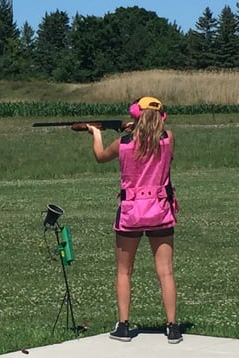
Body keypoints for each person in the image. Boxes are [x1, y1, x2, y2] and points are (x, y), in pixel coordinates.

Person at [86, 96, 183, 344]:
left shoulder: (123, 143)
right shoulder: (168, 138)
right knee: (166, 272)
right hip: (160, 209)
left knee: (124, 272)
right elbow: (154, 137)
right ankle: (173, 327)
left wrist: (95, 133)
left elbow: (100, 156)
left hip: (130, 212)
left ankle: (124, 326)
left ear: (135, 115)